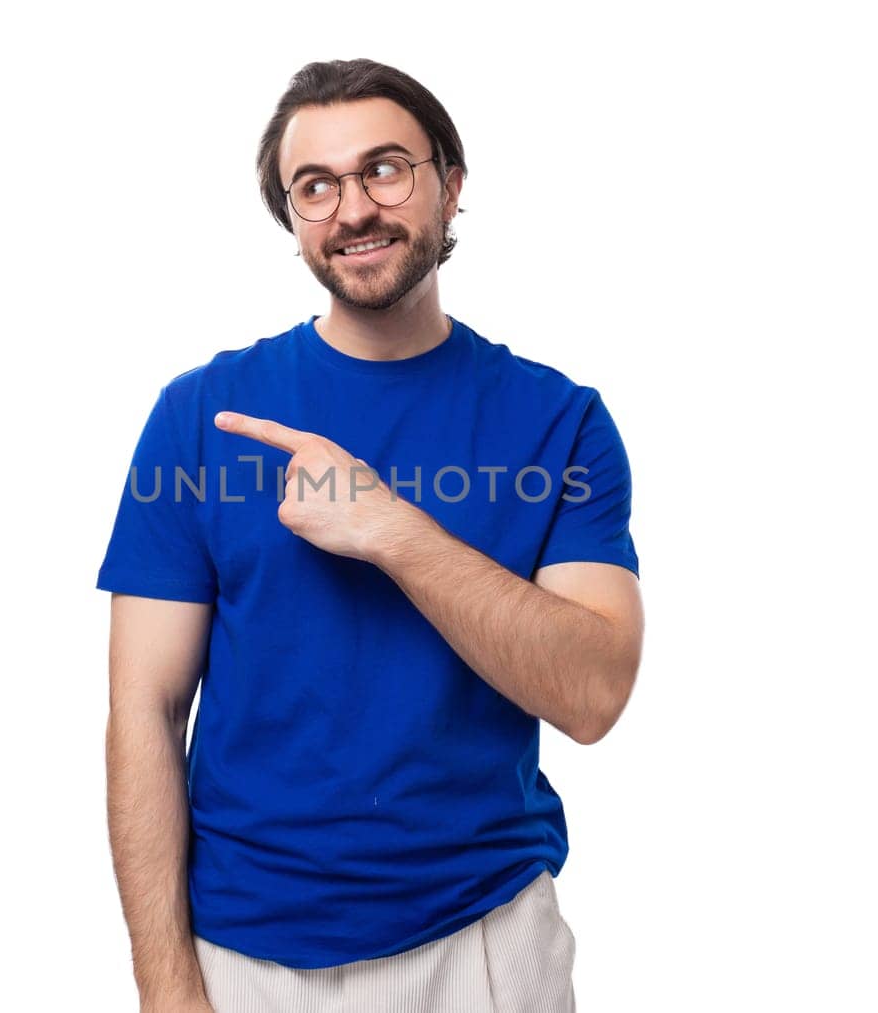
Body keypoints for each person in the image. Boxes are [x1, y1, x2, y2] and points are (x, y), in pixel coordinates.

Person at [98, 58, 644, 1013]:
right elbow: (144, 712)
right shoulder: (201, 417)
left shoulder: (560, 422)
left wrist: (393, 529)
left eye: (386, 169)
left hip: (482, 941)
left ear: (450, 185)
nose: (353, 209)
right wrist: (165, 985)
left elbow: (593, 694)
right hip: (242, 958)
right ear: (293, 216)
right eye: (316, 186)